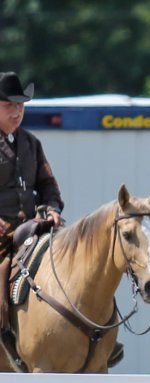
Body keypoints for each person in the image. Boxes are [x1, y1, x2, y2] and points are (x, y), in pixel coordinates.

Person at [0, 71, 64, 333]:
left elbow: (48, 184)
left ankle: (93, 331)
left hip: (32, 226)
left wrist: (52, 208)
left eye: (21, 105)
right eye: (9, 105)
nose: (17, 111)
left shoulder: (31, 143)